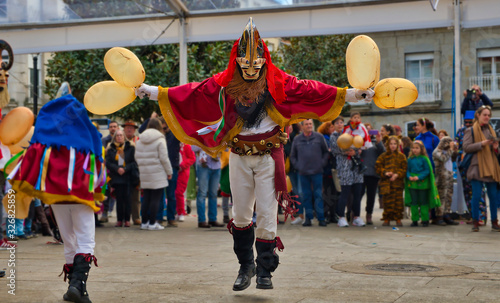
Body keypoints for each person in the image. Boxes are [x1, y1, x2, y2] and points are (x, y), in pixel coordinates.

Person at [134, 18, 373, 290]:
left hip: (269, 158)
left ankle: (265, 271)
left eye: (255, 64)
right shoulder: (224, 84)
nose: (249, 70)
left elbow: (311, 90)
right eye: (244, 64)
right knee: (240, 215)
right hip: (238, 155)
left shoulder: (279, 82)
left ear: (263, 60)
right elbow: (192, 93)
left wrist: (353, 94)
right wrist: (153, 92)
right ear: (236, 61)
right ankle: (245, 266)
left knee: (268, 213)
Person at [8, 94, 104, 303]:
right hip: (81, 197)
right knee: (86, 240)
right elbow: (99, 174)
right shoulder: (90, 136)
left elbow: (30, 164)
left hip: (57, 199)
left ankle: (74, 287)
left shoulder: (45, 141)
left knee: (68, 240)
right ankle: (78, 286)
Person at [462, 105, 500, 232]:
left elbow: (496, 151)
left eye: (489, 115)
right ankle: (475, 221)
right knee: (477, 196)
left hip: (491, 166)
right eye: (485, 114)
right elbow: (466, 148)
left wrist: (495, 147)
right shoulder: (470, 130)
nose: (487, 117)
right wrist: (481, 144)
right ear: (478, 115)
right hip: (476, 167)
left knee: (493, 196)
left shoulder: (491, 130)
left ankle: (494, 221)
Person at [135, 118, 173, 230]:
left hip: (144, 172)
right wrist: (169, 171)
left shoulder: (140, 139)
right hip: (158, 172)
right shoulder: (160, 139)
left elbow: (136, 157)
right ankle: (152, 223)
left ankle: (144, 223)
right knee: (156, 199)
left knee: (146, 198)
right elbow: (164, 158)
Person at [290, 119, 329, 226]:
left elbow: (326, 152)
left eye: (310, 124)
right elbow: (293, 156)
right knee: (306, 196)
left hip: (317, 171)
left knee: (318, 195)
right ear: (302, 127)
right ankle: (308, 218)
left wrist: (322, 163)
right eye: (306, 124)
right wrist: (298, 166)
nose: (309, 126)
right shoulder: (297, 139)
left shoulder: (319, 137)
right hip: (303, 173)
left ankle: (321, 219)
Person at [331, 120, 366, 228]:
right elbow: (335, 149)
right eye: (337, 123)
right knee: (345, 192)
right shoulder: (334, 136)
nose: (339, 124)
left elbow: (358, 145)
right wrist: (347, 152)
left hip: (355, 166)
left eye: (341, 122)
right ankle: (341, 217)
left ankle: (356, 217)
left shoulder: (351, 132)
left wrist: (354, 151)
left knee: (357, 192)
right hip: (344, 167)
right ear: (334, 125)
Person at [456, 110, 487, 225]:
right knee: (467, 192)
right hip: (464, 167)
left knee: (479, 192)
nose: (468, 124)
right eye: (466, 122)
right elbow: (457, 146)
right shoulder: (460, 132)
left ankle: (481, 217)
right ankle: (473, 216)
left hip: (477, 166)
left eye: (470, 122)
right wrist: (460, 152)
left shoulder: (479, 131)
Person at [405, 141, 440, 227]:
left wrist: (419, 177)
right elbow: (407, 170)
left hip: (423, 184)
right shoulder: (410, 159)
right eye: (413, 148)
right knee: (414, 202)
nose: (415, 150)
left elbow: (427, 171)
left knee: (424, 202)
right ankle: (414, 220)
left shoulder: (425, 159)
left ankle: (425, 220)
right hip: (412, 184)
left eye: (417, 148)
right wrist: (409, 176)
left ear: (421, 149)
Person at [106, 130, 136, 227]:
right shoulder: (111, 149)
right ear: (114, 137)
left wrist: (125, 169)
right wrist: (117, 169)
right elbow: (109, 163)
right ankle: (119, 220)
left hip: (128, 176)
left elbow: (134, 162)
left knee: (127, 199)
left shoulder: (130, 148)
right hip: (117, 177)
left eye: (121, 135)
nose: (119, 137)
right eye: (117, 135)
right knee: (119, 199)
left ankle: (127, 219)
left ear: (124, 137)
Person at [375, 136, 407, 227]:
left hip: (398, 184)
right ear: (388, 145)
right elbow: (378, 167)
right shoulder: (383, 156)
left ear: (397, 145)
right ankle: (387, 219)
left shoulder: (402, 156)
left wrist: (397, 175)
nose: (393, 146)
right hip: (386, 184)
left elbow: (404, 169)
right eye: (391, 144)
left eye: (394, 144)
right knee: (387, 202)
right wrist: (385, 173)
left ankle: (398, 219)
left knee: (398, 202)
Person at [192, 145, 224, 228]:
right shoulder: (200, 133)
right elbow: (193, 148)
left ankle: (213, 219)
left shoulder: (218, 134)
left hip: (216, 165)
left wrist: (217, 144)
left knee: (213, 194)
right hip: (203, 166)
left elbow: (226, 148)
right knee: (202, 193)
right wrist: (206, 144)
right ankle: (201, 220)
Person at [432, 137, 459, 225]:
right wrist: (451, 149)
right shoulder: (437, 151)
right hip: (441, 178)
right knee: (442, 197)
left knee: (448, 196)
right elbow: (443, 158)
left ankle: (446, 214)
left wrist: (455, 150)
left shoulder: (448, 151)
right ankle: (439, 216)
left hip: (449, 176)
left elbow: (453, 158)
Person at [361, 129, 384, 225]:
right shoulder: (360, 142)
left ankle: (369, 214)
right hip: (361, 173)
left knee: (371, 196)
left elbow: (383, 153)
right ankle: (354, 213)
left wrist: (379, 141)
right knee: (358, 195)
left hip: (373, 173)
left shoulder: (376, 143)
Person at [318, 120, 338, 224]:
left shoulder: (333, 138)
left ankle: (333, 214)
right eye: (331, 127)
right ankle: (326, 214)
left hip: (333, 169)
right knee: (327, 193)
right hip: (326, 169)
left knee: (334, 193)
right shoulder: (324, 139)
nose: (333, 128)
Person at [122, 120, 141, 225]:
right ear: (124, 129)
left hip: (135, 171)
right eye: (127, 127)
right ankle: (125, 218)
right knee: (123, 196)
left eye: (131, 128)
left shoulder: (138, 140)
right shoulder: (120, 140)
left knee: (135, 196)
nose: (129, 129)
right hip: (122, 171)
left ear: (134, 130)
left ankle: (136, 217)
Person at [284, 123, 303, 225]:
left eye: (290, 126)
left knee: (300, 192)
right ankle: (300, 214)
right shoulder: (284, 138)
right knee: (295, 192)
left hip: (300, 169)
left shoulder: (298, 137)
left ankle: (303, 214)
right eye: (287, 126)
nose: (289, 128)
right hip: (290, 169)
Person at [176, 143, 196, 222]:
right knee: (174, 193)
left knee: (179, 192)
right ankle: (178, 212)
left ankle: (181, 212)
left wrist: (182, 166)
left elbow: (192, 158)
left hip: (183, 172)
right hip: (175, 170)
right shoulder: (173, 143)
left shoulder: (186, 146)